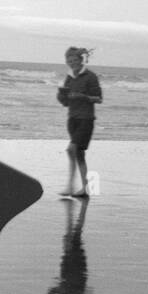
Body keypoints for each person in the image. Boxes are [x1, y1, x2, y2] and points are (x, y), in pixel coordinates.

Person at [56, 47, 102, 197]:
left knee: (71, 150)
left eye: (75, 60)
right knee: (79, 154)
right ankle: (85, 189)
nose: (72, 63)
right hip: (72, 119)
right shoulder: (69, 78)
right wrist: (62, 97)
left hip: (86, 119)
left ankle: (70, 186)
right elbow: (67, 103)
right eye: (69, 61)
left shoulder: (90, 76)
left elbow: (99, 98)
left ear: (81, 60)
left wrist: (83, 96)